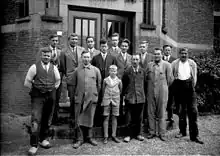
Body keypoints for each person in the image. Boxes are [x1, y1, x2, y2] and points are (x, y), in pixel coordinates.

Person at [24, 47, 61, 155]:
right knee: (36, 119)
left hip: (50, 96)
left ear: (50, 57)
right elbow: (27, 82)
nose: (46, 57)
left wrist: (51, 89)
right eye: (44, 55)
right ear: (41, 55)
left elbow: (58, 80)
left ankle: (43, 139)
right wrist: (36, 89)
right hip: (37, 97)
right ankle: (34, 145)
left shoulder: (54, 67)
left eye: (48, 55)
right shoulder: (34, 67)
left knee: (47, 118)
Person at [172, 48, 203, 144]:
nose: (184, 55)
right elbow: (172, 75)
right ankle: (182, 131)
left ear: (188, 54)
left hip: (190, 89)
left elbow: (195, 76)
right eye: (182, 53)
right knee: (181, 112)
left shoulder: (192, 63)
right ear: (179, 54)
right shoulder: (174, 63)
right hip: (179, 89)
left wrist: (192, 86)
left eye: (185, 53)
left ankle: (195, 135)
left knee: (193, 111)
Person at [71, 50, 102, 149]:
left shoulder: (95, 70)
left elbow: (99, 84)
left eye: (88, 57)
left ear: (90, 58)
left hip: (91, 98)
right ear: (81, 58)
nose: (86, 59)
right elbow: (73, 84)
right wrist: (76, 96)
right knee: (79, 119)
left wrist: (95, 94)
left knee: (90, 118)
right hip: (80, 98)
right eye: (84, 57)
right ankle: (80, 139)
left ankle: (90, 137)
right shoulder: (77, 70)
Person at [146, 48, 173, 141]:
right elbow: (146, 78)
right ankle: (152, 132)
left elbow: (170, 80)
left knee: (161, 112)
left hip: (162, 91)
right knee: (150, 112)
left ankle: (162, 133)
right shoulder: (149, 65)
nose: (156, 55)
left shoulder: (167, 65)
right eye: (155, 54)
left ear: (161, 54)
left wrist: (163, 87)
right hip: (150, 91)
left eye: (158, 54)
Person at [60, 33, 85, 127]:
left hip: (81, 78)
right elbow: (62, 66)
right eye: (73, 39)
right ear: (69, 40)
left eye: (76, 39)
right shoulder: (63, 52)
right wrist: (67, 75)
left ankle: (80, 118)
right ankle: (72, 118)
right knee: (72, 99)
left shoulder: (82, 50)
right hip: (70, 79)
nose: (74, 41)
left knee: (81, 98)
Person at [91, 38, 117, 126]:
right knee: (99, 101)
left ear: (107, 47)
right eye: (102, 46)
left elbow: (114, 71)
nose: (104, 48)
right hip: (99, 83)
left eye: (105, 46)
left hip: (109, 84)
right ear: (100, 47)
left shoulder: (112, 58)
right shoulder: (95, 58)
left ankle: (108, 122)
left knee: (109, 101)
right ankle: (98, 121)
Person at [122, 53, 147, 143]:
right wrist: (126, 95)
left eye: (137, 59)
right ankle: (128, 135)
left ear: (139, 60)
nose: (135, 61)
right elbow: (124, 84)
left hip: (140, 98)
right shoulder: (127, 71)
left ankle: (138, 134)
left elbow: (145, 84)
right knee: (128, 117)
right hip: (130, 97)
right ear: (131, 60)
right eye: (133, 59)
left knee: (139, 117)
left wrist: (143, 95)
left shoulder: (143, 71)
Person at [101, 65, 122, 144]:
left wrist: (115, 96)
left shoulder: (119, 81)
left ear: (116, 72)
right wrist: (106, 97)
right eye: (111, 71)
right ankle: (105, 136)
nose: (113, 72)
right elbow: (103, 90)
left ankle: (114, 135)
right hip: (107, 100)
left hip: (116, 100)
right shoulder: (105, 80)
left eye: (114, 71)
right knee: (106, 117)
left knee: (114, 117)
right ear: (109, 71)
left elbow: (120, 90)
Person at [115, 38, 132, 125]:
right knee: (119, 99)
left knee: (128, 100)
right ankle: (119, 117)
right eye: (122, 46)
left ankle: (127, 119)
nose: (124, 47)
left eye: (126, 46)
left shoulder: (131, 57)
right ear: (120, 46)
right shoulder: (116, 57)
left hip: (128, 82)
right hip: (119, 81)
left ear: (128, 47)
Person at [162, 44, 176, 129]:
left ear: (170, 51)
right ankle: (161, 116)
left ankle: (170, 117)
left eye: (169, 50)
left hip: (170, 84)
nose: (167, 51)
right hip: (162, 83)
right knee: (162, 101)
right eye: (166, 50)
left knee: (170, 102)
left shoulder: (174, 60)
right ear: (163, 50)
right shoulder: (160, 59)